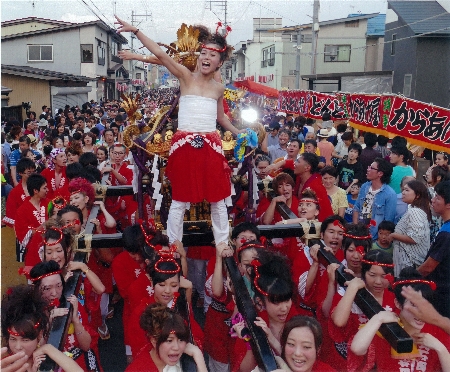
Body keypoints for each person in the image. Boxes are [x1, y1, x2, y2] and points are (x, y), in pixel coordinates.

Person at [115, 16, 241, 251]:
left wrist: (241, 133)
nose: (206, 57)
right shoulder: (185, 75)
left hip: (211, 145)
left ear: (219, 62)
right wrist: (136, 31)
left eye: (213, 55)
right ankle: (174, 244)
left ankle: (223, 242)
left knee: (218, 200)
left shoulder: (219, 88)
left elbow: (221, 119)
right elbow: (161, 56)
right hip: (183, 143)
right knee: (180, 200)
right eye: (204, 52)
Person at [348, 267, 450, 372]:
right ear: (398, 303)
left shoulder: (437, 330)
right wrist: (378, 318)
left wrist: (440, 349)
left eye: (424, 305)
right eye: (413, 305)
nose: (420, 312)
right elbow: (357, 349)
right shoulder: (387, 327)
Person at [28, 261, 102, 371]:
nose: (55, 293)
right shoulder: (30, 313)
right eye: (47, 288)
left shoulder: (69, 303)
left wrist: (75, 320)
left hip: (78, 361)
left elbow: (86, 345)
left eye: (59, 286)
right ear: (36, 288)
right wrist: (48, 322)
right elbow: (35, 350)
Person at [329, 249, 395, 370]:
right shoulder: (351, 292)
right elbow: (339, 321)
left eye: (384, 276)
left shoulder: (394, 300)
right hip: (348, 359)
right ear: (363, 273)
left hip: (381, 362)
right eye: (372, 275)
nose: (378, 282)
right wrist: (353, 288)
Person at [1, 285, 83, 372]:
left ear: (39, 335)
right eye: (13, 339)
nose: (18, 347)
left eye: (25, 340)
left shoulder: (47, 357)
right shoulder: (5, 366)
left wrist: (47, 348)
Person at [126, 303, 207, 372]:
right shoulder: (138, 369)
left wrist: (198, 354)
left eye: (181, 339)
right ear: (153, 340)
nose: (176, 347)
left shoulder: (186, 357)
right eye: (169, 340)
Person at [417, 180, 450, 318]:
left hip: (442, 294)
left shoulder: (447, 234)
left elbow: (429, 267)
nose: (433, 200)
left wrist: (409, 278)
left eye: (438, 197)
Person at [391, 180, 431, 276]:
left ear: (417, 195)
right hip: (406, 263)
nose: (403, 193)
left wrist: (393, 235)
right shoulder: (413, 210)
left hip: (409, 264)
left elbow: (414, 238)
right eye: (403, 190)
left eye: (407, 190)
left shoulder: (415, 212)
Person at [353, 158, 396, 240]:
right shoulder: (364, 186)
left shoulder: (390, 194)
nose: (368, 169)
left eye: (371, 168)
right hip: (359, 233)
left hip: (374, 237)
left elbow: (388, 222)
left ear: (380, 173)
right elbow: (357, 208)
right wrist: (356, 229)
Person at [14, 174, 49, 265]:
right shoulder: (22, 210)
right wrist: (44, 226)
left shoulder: (49, 203)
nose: (47, 190)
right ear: (35, 190)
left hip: (51, 247)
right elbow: (22, 233)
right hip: (33, 251)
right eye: (44, 188)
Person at [293, 153, 333, 221]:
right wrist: (279, 163)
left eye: (298, 161)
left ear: (307, 168)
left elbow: (325, 213)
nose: (294, 163)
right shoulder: (299, 177)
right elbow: (289, 163)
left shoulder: (316, 187)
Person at [2, 158, 35, 228]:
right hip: (23, 228)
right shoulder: (14, 192)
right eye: (29, 173)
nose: (32, 175)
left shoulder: (39, 188)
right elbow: (11, 215)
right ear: (20, 173)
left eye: (33, 172)